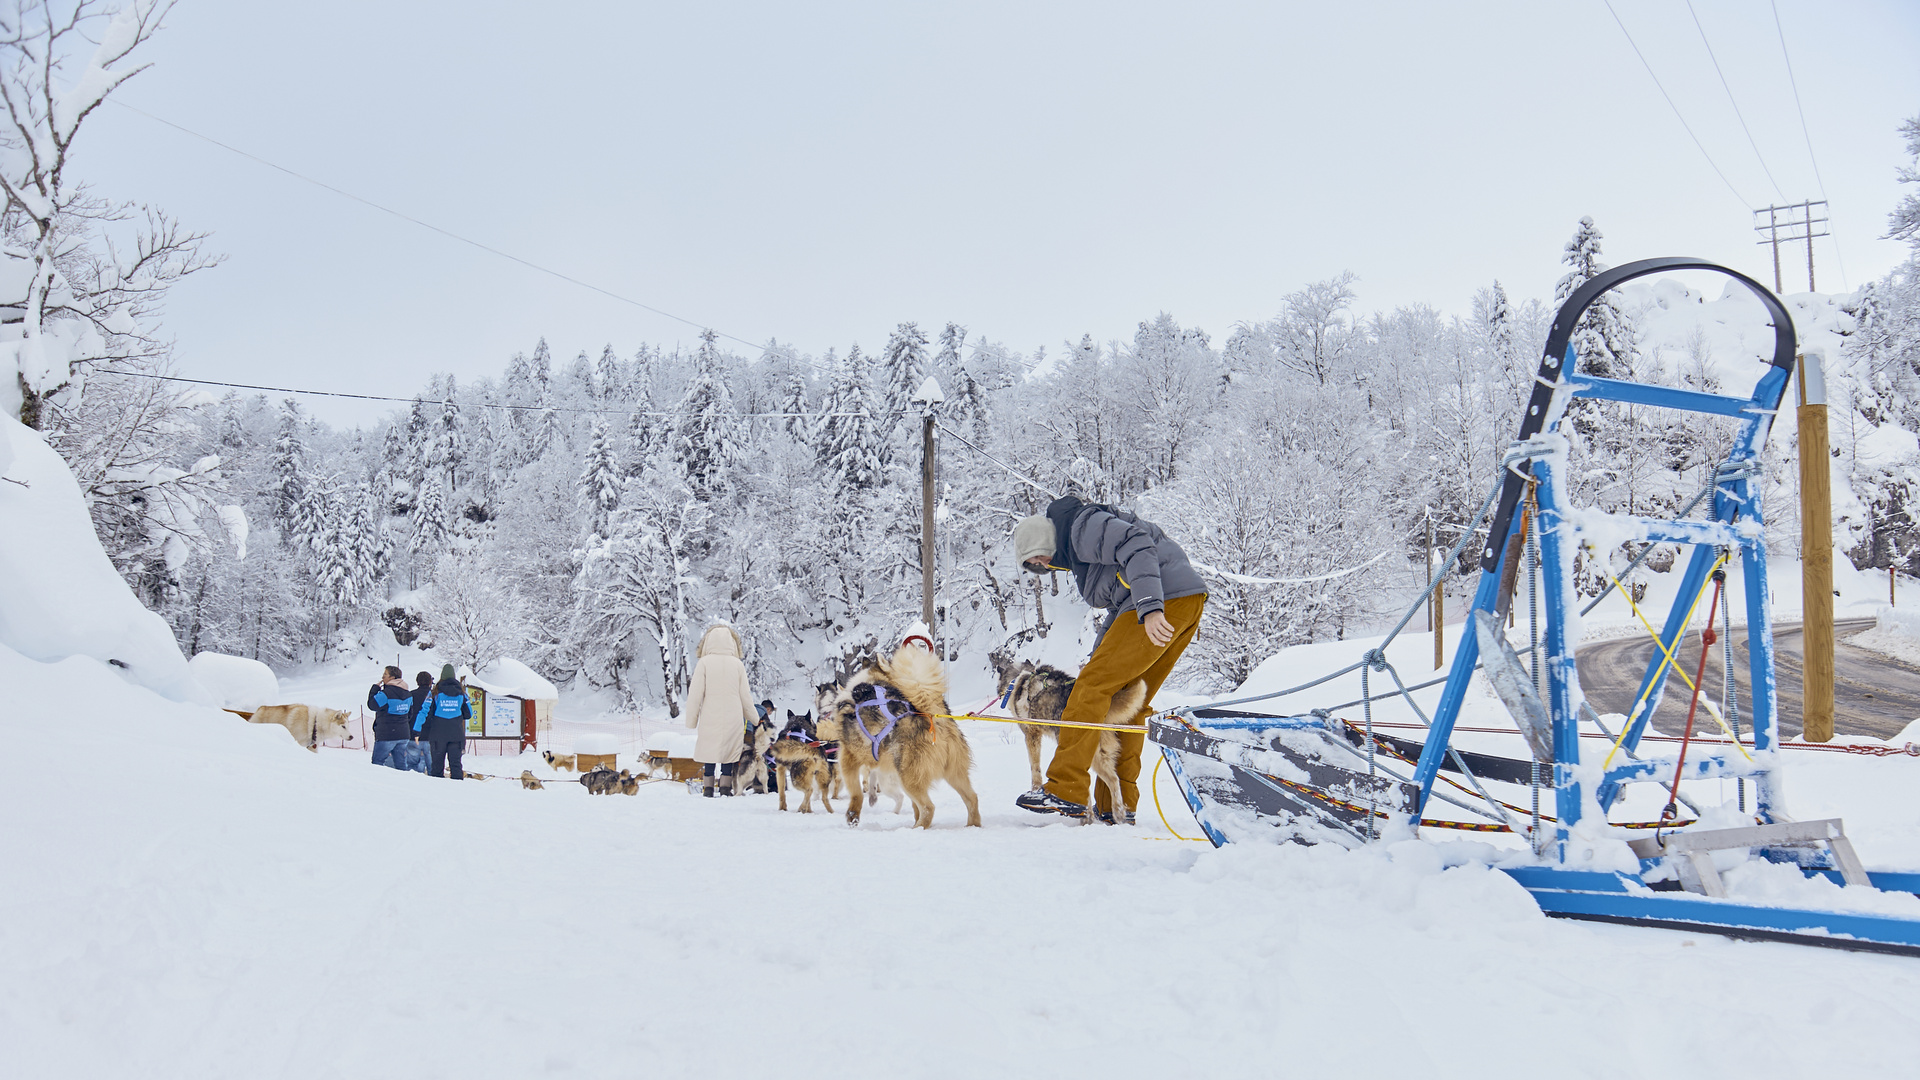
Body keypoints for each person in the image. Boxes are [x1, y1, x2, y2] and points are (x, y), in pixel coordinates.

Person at [1010, 495, 1208, 820]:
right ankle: (1117, 806)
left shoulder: (1080, 527)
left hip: (1162, 601)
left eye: (1037, 558)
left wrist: (1151, 607)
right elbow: (1118, 606)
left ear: (1043, 539)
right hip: (1181, 602)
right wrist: (1098, 655)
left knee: (1090, 689)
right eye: (1035, 567)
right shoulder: (1081, 557)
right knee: (1128, 701)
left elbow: (1137, 543)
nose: (1042, 566)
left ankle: (1066, 788)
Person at [684, 623, 756, 797]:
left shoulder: (704, 663)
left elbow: (695, 694)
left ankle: (708, 787)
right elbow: (745, 696)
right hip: (733, 716)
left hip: (710, 716)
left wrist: (691, 721)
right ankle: (725, 787)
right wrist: (755, 719)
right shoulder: (737, 665)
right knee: (729, 751)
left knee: (710, 751)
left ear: (708, 642)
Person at [416, 664, 471, 780]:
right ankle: (458, 790)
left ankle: (438, 793)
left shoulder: (434, 693)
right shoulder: (462, 694)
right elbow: (468, 714)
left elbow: (424, 711)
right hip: (456, 735)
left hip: (437, 735)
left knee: (437, 767)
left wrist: (417, 729)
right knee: (456, 766)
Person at [366, 666, 421, 770]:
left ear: (392, 677)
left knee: (377, 763)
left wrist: (374, 689)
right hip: (403, 734)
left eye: (385, 675)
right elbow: (410, 714)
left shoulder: (385, 694)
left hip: (386, 735)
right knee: (400, 765)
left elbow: (372, 705)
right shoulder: (408, 694)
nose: (382, 677)